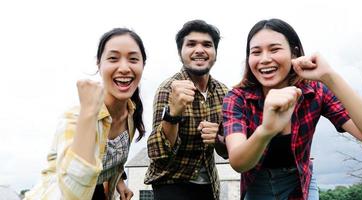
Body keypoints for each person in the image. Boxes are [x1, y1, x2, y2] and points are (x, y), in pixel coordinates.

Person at [222, 18, 362, 200]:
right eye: (256, 52)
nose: (264, 59)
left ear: (294, 53)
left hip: (300, 180)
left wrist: (330, 77)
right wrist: (266, 130)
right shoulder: (237, 98)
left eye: (274, 49)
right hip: (257, 184)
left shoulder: (315, 91)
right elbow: (238, 163)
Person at [24, 28, 147, 200]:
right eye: (113, 58)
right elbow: (73, 193)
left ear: (143, 65)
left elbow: (113, 159)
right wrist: (88, 114)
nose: (125, 68)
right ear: (99, 64)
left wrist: (120, 183)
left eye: (133, 59)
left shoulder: (131, 113)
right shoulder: (74, 118)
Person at [144, 19, 228, 200]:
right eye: (191, 44)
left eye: (207, 44)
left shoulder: (224, 92)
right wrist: (173, 114)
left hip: (209, 186)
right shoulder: (168, 88)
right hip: (171, 183)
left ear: (215, 53)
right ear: (180, 53)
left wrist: (218, 138)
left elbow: (226, 151)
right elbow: (158, 153)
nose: (199, 50)